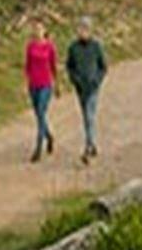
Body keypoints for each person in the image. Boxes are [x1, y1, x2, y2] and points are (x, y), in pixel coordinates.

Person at [67, 17, 108, 163]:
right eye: (80, 29)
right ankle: (93, 143)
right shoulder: (73, 47)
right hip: (80, 88)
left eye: (85, 29)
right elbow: (69, 66)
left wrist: (97, 80)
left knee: (89, 115)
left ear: (90, 31)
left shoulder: (96, 46)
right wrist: (74, 79)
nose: (82, 32)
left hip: (93, 88)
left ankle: (88, 147)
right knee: (86, 116)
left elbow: (103, 67)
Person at [24, 20, 58, 163]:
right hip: (33, 84)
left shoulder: (50, 47)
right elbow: (27, 66)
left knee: (41, 112)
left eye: (40, 28)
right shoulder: (30, 46)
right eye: (35, 29)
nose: (37, 31)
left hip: (46, 84)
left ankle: (38, 147)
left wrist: (57, 85)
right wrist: (25, 83)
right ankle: (49, 135)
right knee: (39, 115)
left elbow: (53, 66)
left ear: (44, 31)